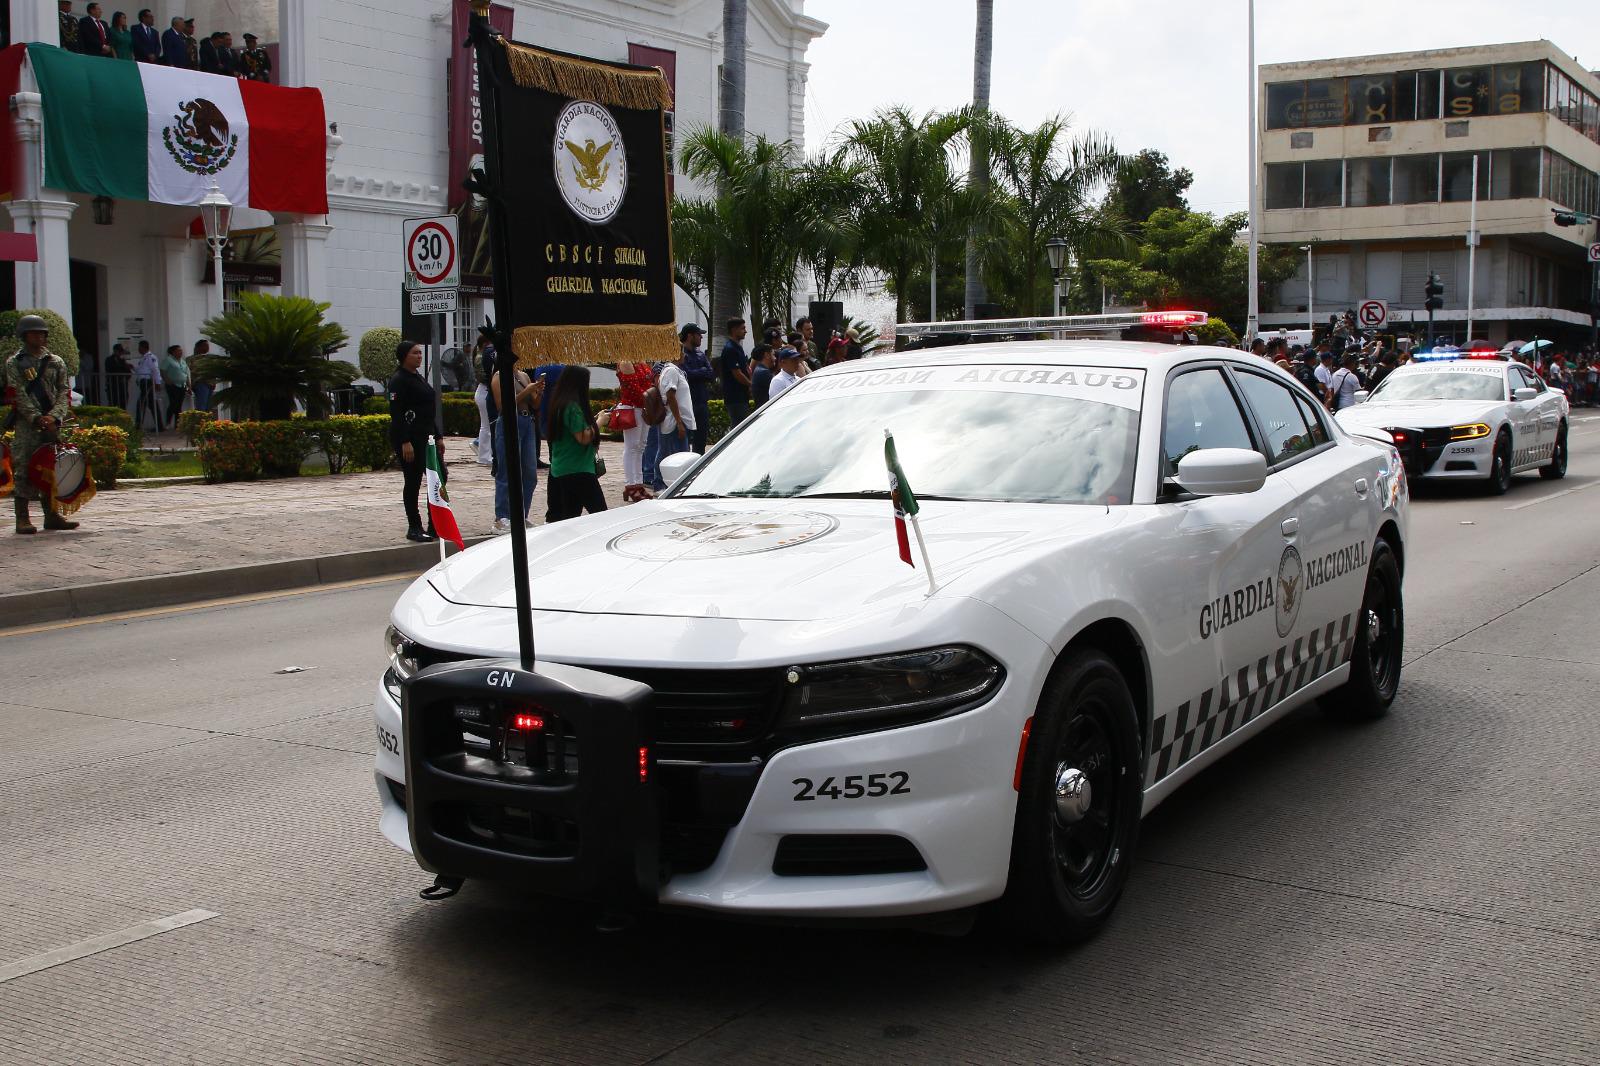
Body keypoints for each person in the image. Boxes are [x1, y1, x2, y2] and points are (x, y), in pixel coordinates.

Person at [5, 316, 79, 533]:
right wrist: (37, 417)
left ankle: (52, 516)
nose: (39, 336)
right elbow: (16, 393)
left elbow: (64, 390)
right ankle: (23, 518)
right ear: (24, 336)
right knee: (25, 468)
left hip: (52, 423)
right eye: (33, 333)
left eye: (42, 333)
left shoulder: (56, 361)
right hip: (28, 424)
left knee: (52, 467)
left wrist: (54, 416)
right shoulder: (14, 363)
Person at [386, 340, 442, 543]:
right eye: (414, 353)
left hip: (427, 437)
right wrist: (404, 441)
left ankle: (435, 524)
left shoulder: (418, 377)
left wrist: (439, 436)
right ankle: (414, 526)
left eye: (420, 353)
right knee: (413, 481)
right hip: (411, 438)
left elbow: (427, 412)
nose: (419, 356)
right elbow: (397, 414)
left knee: (437, 477)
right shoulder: (398, 380)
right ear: (404, 356)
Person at [544, 365, 607, 522]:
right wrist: (600, 422)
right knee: (602, 516)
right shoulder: (572, 407)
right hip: (578, 469)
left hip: (562, 469)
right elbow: (583, 437)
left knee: (570, 519)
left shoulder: (560, 404)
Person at [488, 359, 543, 533]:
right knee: (507, 471)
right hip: (510, 423)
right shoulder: (498, 377)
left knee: (529, 473)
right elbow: (502, 406)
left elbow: (535, 404)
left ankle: (521, 515)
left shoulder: (524, 375)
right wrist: (526, 391)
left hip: (527, 421)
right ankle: (502, 517)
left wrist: (538, 392)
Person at [652, 347, 694, 489]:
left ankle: (663, 483)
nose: (684, 356)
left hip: (676, 421)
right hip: (674, 422)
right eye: (682, 353)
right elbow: (670, 396)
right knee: (676, 455)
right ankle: (663, 484)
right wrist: (679, 422)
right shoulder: (671, 371)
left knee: (666, 451)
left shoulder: (674, 370)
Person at [616, 355, 654, 501]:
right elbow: (633, 389)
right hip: (633, 408)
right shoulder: (626, 361)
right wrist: (648, 400)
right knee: (632, 447)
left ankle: (638, 483)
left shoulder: (641, 361)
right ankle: (631, 484)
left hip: (642, 407)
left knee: (640, 447)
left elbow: (647, 384)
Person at [678, 323, 714, 454]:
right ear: (690, 336)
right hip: (688, 403)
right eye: (699, 335)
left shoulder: (700, 355)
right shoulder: (680, 354)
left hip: (701, 402)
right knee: (685, 441)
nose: (701, 338)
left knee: (701, 440)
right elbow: (686, 374)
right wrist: (702, 371)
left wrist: (698, 372)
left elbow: (711, 374)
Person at [719, 317, 751, 428]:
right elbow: (737, 373)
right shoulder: (730, 349)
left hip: (741, 395)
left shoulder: (737, 347)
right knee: (739, 427)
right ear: (734, 330)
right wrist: (750, 385)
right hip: (735, 396)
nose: (745, 331)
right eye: (743, 328)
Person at [471, 338, 494, 467]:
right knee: (486, 426)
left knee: (487, 426)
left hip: (484, 390)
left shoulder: (481, 355)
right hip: (484, 390)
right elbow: (485, 377)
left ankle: (486, 454)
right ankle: (484, 456)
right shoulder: (481, 356)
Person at [133, 339, 161, 430]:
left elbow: (155, 370)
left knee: (141, 403)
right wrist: (132, 367)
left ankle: (138, 425)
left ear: (143, 347)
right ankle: (159, 426)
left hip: (147, 382)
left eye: (139, 347)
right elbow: (141, 370)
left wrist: (157, 383)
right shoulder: (143, 358)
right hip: (143, 383)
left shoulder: (150, 357)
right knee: (152, 404)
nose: (138, 349)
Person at [159, 344, 189, 428]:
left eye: (181, 350)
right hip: (173, 385)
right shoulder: (168, 360)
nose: (181, 352)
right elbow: (162, 370)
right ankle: (168, 422)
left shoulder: (182, 361)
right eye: (178, 350)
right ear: (173, 352)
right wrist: (168, 381)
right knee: (173, 403)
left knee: (179, 405)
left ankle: (177, 424)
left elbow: (186, 373)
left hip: (182, 385)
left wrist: (188, 385)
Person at [189, 339, 214, 412]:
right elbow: (193, 371)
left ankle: (206, 422)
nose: (207, 347)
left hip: (210, 384)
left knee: (208, 406)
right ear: (199, 347)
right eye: (205, 346)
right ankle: (200, 422)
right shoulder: (192, 359)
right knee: (201, 406)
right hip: (201, 383)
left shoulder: (209, 358)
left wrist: (213, 381)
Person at [104, 343, 130, 410]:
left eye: (121, 351)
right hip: (113, 387)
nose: (120, 353)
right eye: (119, 351)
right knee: (113, 406)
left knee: (123, 406)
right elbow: (110, 370)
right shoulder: (109, 360)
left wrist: (125, 366)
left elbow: (128, 373)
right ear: (115, 351)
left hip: (122, 387)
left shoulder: (122, 360)